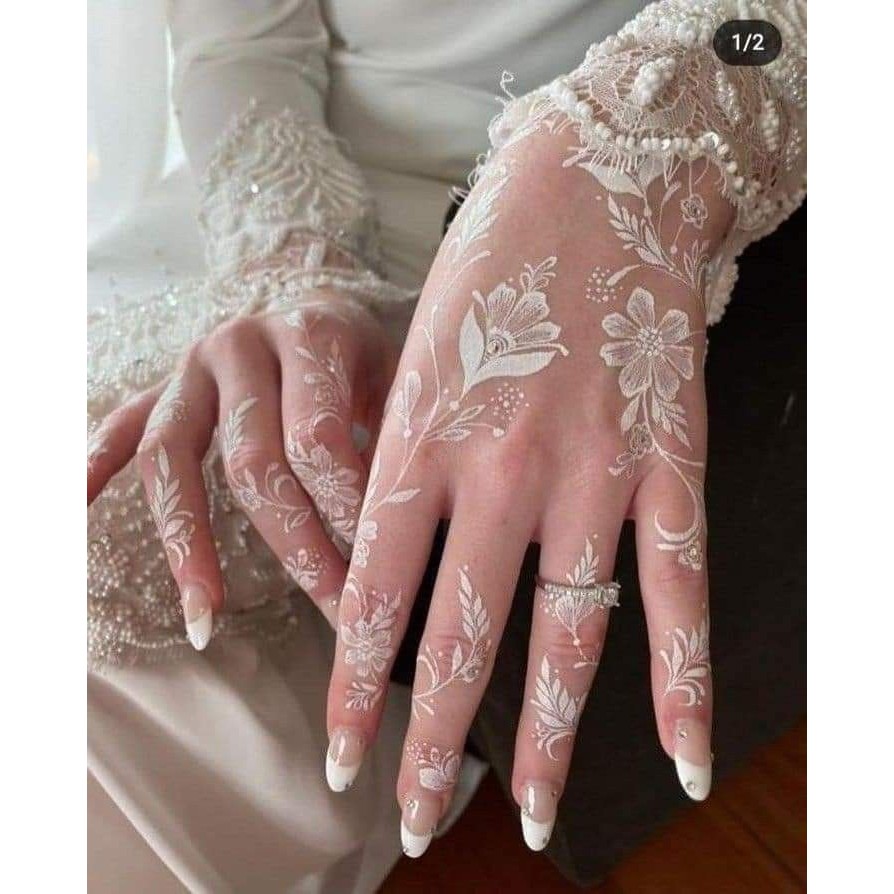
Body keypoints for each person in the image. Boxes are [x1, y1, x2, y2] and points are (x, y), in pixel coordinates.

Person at [87, 1, 806, 889]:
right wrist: (293, 268)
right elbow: (240, 38)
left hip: (575, 276)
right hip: (273, 210)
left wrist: (647, 123)